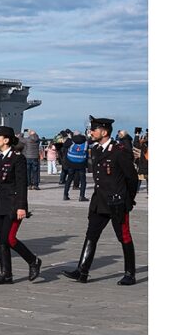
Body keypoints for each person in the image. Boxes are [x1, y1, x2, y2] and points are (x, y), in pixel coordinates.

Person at [64, 116, 140, 285]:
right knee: (91, 234)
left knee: (124, 236)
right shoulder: (97, 149)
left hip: (117, 202)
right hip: (100, 201)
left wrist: (128, 200)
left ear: (104, 132)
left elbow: (132, 178)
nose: (91, 132)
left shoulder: (119, 151)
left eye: (94, 129)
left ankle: (130, 273)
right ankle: (82, 271)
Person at [0, 126, 41, 284]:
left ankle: (33, 261)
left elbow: (22, 184)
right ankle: (6, 274)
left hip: (13, 204)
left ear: (6, 140)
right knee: (0, 240)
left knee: (9, 238)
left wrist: (22, 206)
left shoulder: (18, 158)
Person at [62, 131, 90, 201]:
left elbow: (64, 146)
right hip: (81, 162)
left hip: (71, 161)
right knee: (83, 180)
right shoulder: (85, 141)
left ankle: (65, 195)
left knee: (69, 178)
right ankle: (81, 196)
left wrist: (69, 138)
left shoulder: (71, 140)